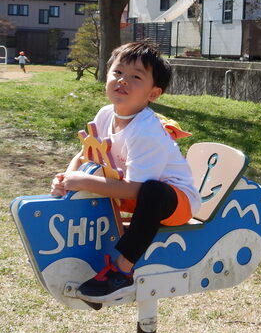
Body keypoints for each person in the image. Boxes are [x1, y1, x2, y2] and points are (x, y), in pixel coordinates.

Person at [50, 42, 199, 302]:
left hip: (175, 204)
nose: (123, 81)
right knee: (93, 171)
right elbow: (86, 152)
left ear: (153, 94)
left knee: (153, 191)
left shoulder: (146, 130)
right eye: (118, 72)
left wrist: (83, 181)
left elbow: (137, 189)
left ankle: (122, 269)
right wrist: (66, 179)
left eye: (135, 77)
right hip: (134, 194)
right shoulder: (106, 114)